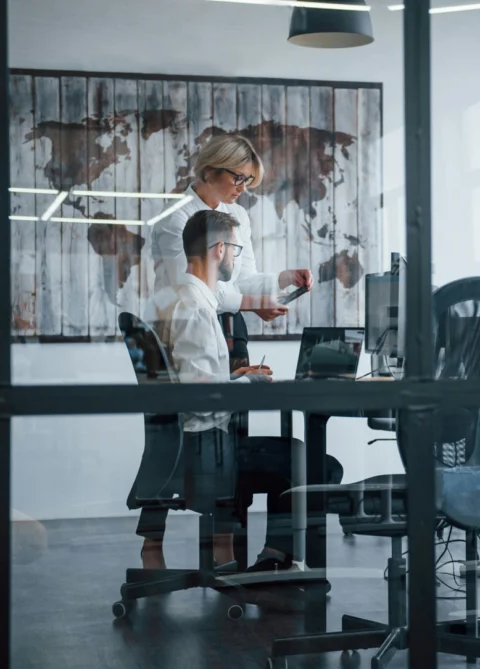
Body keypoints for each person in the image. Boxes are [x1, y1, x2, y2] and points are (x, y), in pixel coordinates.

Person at [134, 209, 341, 573]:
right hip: (207, 454)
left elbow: (193, 382)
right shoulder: (196, 310)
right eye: (236, 250)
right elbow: (200, 397)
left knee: (295, 456)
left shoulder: (183, 300)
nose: (236, 258)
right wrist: (250, 382)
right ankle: (277, 559)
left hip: (190, 448)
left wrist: (236, 377)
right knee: (316, 464)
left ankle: (274, 558)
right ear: (218, 249)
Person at [151, 133, 313, 322]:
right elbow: (190, 287)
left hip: (228, 323)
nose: (243, 188)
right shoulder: (175, 217)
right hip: (183, 326)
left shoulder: (238, 215)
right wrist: (253, 303)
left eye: (247, 180)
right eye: (238, 178)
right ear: (209, 172)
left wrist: (286, 278)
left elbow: (244, 279)